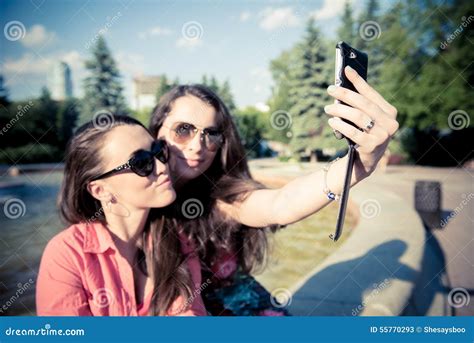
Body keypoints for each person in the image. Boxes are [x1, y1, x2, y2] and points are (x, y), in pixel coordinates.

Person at [150, 66, 399, 315]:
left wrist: (357, 165)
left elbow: (282, 203)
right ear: (156, 129)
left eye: (211, 133)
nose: (197, 145)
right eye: (183, 129)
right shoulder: (129, 193)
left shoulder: (220, 197)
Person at [36, 115, 207, 316]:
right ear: (100, 190)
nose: (162, 167)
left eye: (158, 151)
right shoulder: (67, 255)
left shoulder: (178, 242)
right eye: (141, 163)